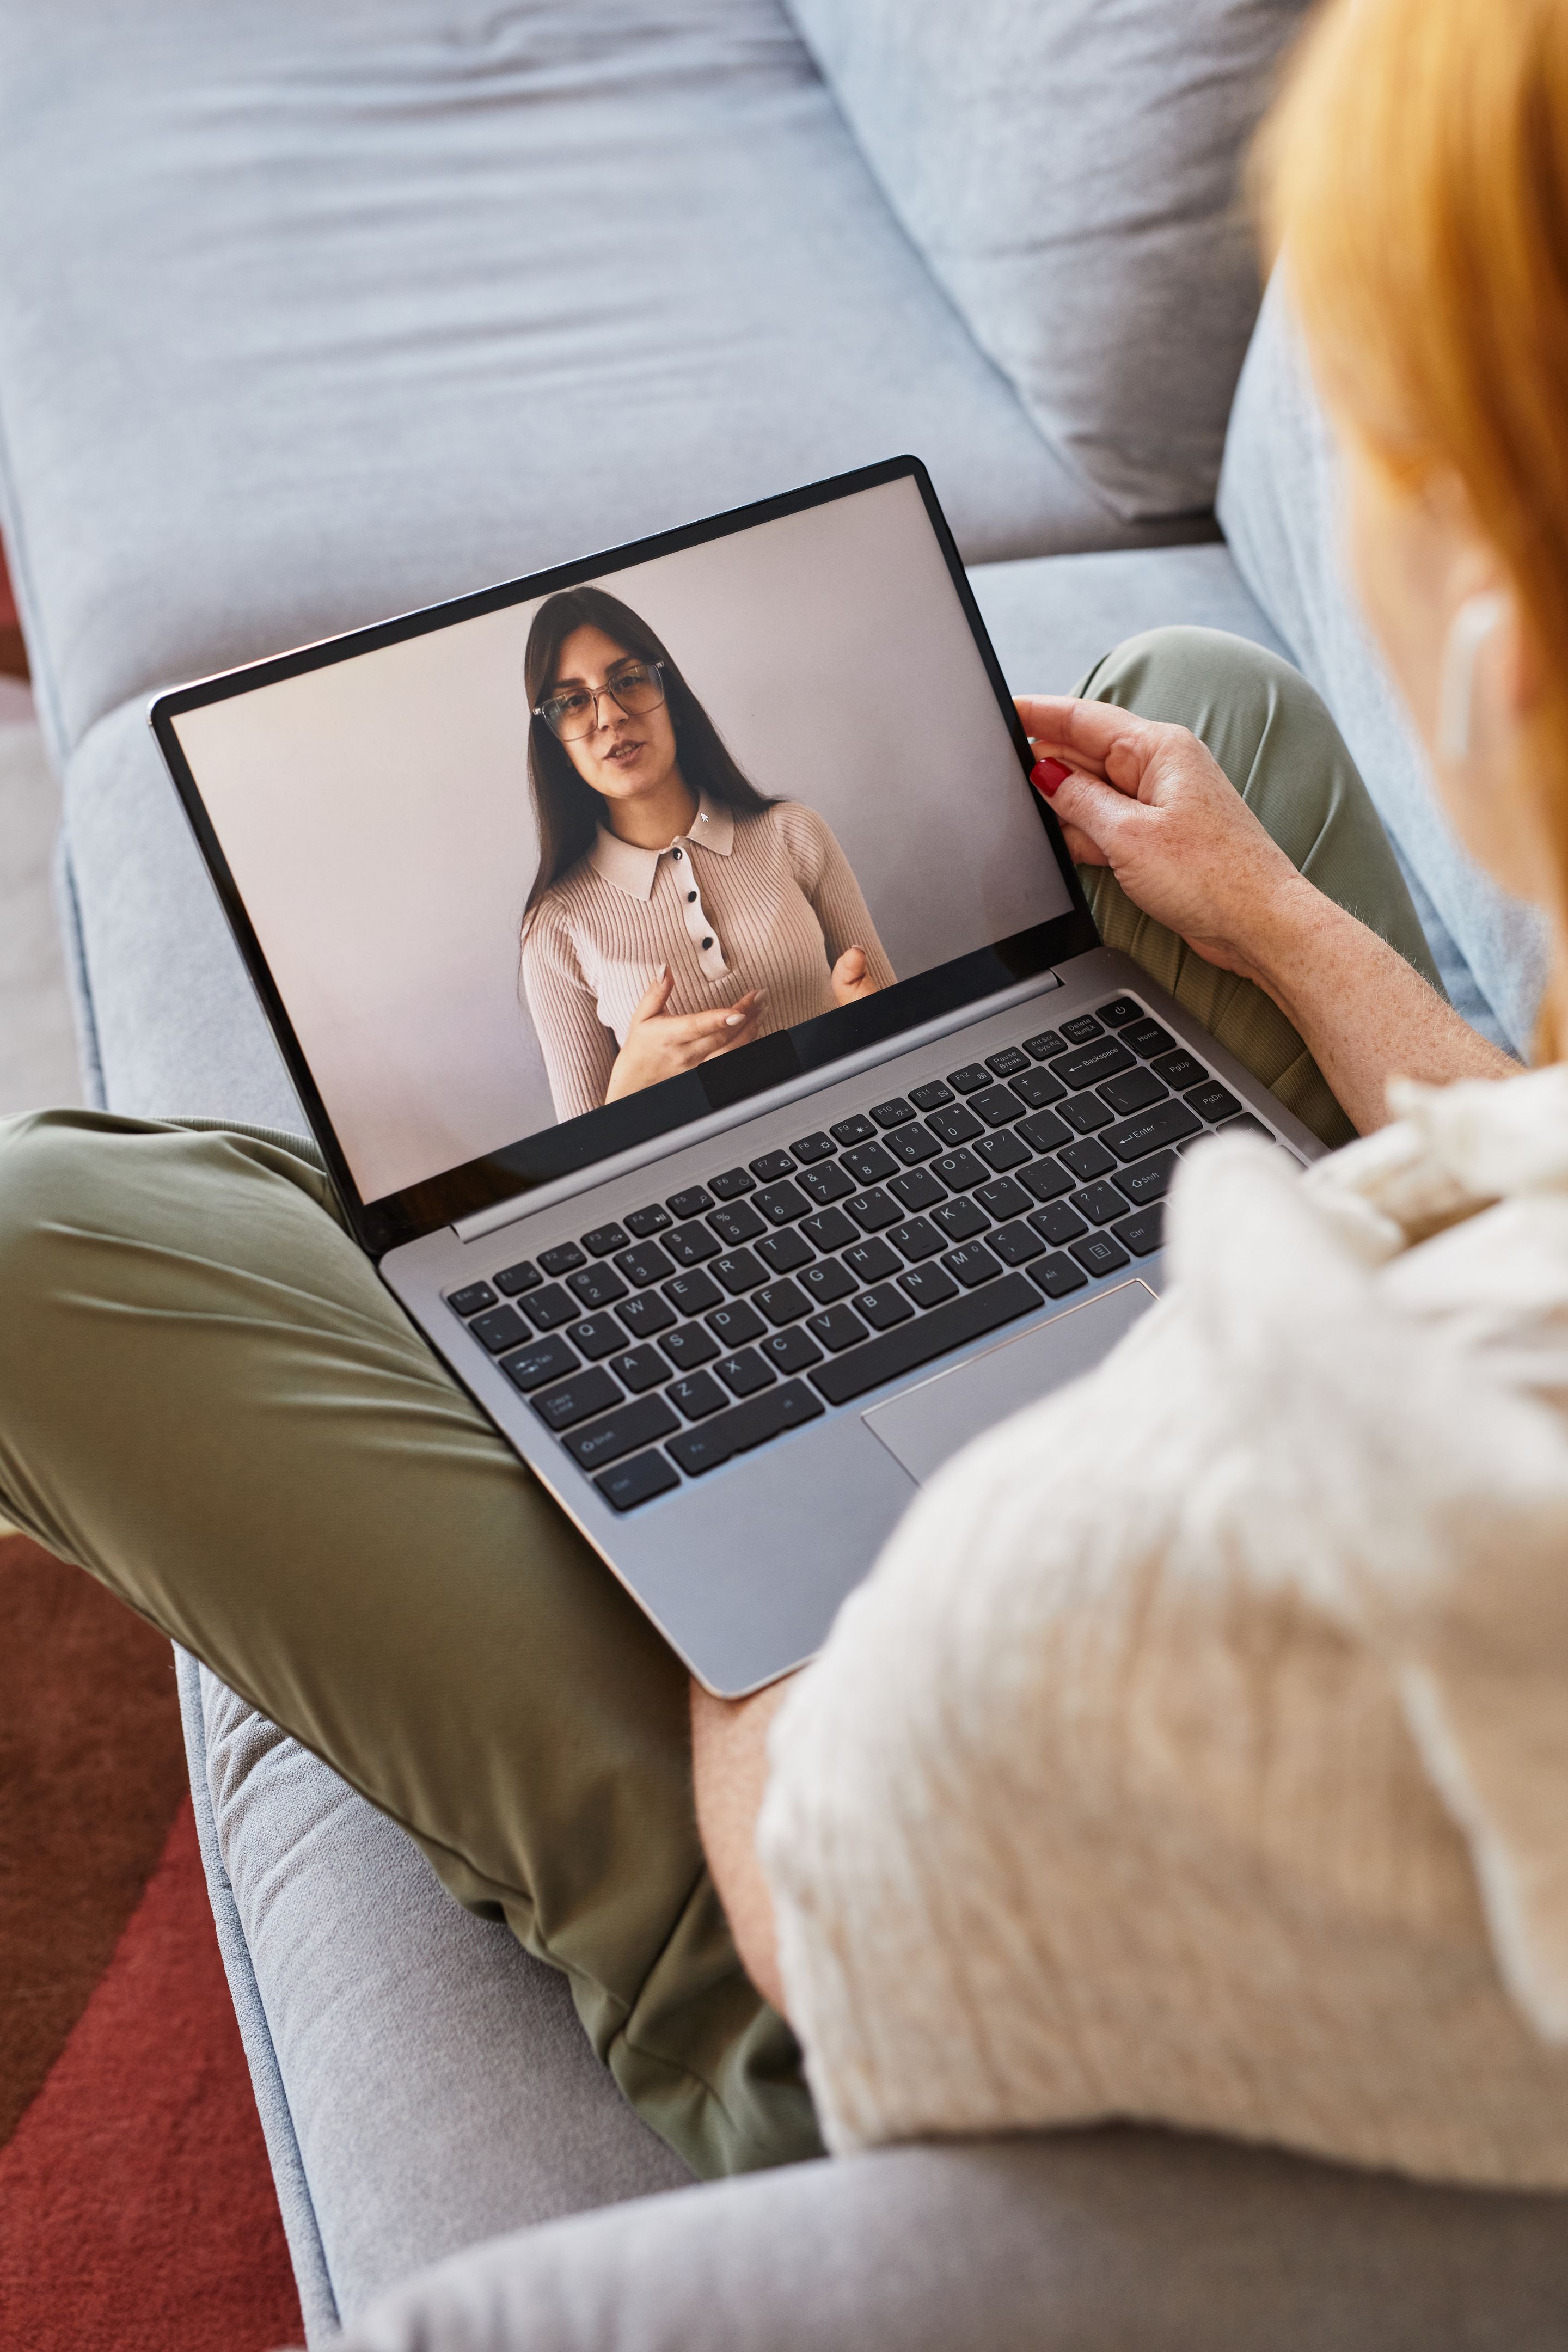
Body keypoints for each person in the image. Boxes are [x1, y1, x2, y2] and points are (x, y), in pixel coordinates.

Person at [0, 0, 1560, 2192]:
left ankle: (493, 1391)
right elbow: (1521, 1161)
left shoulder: (1312, 1475)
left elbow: (835, 1885)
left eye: (1375, 460)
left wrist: (731, 1532)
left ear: (1489, 660)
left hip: (823, 1920)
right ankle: (476, 1308)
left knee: (42, 1244)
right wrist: (1286, 928)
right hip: (1199, 1401)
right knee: (1197, 708)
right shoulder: (1515, 1202)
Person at [517, 585, 894, 1123]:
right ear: (553, 738)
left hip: (849, 1129)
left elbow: (904, 1033)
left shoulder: (794, 835)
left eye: (626, 681)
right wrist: (628, 1089)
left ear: (668, 691)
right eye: (574, 701)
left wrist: (864, 1020)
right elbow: (592, 1179)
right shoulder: (554, 931)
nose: (611, 717)